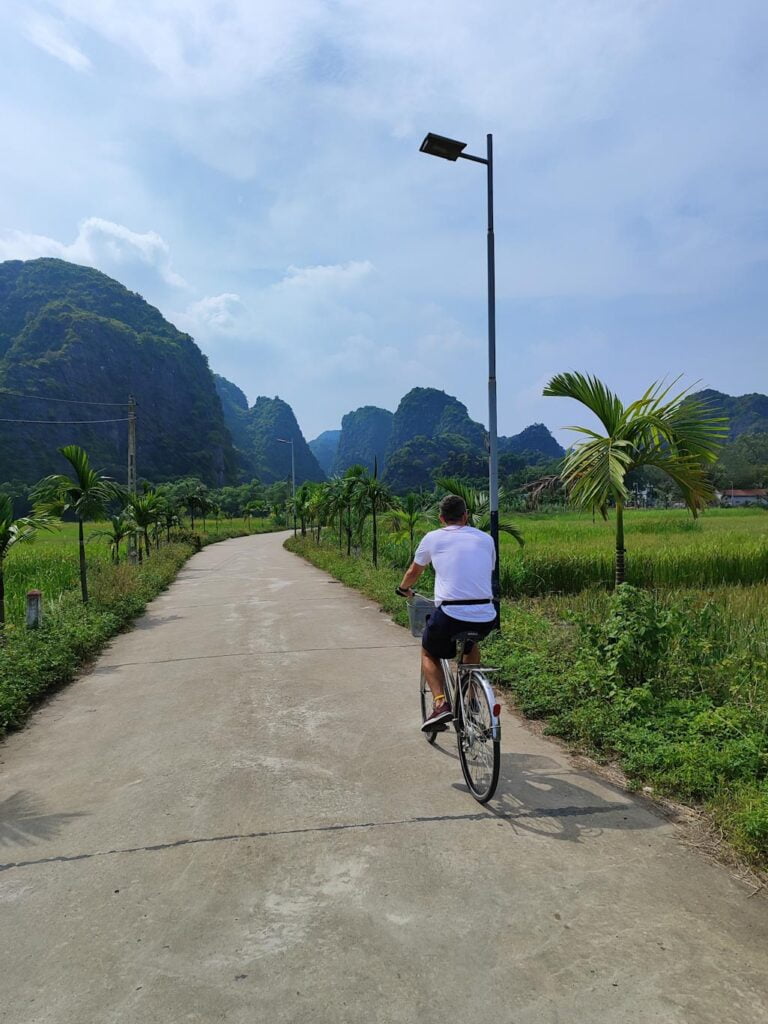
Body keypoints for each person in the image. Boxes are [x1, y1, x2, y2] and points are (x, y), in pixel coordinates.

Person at [395, 494, 497, 731]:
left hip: (450, 613)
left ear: (441, 518)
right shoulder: (486, 539)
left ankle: (440, 704)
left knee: (428, 650)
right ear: (466, 516)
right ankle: (470, 699)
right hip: (486, 615)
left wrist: (403, 589)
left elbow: (414, 571)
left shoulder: (433, 537)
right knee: (472, 642)